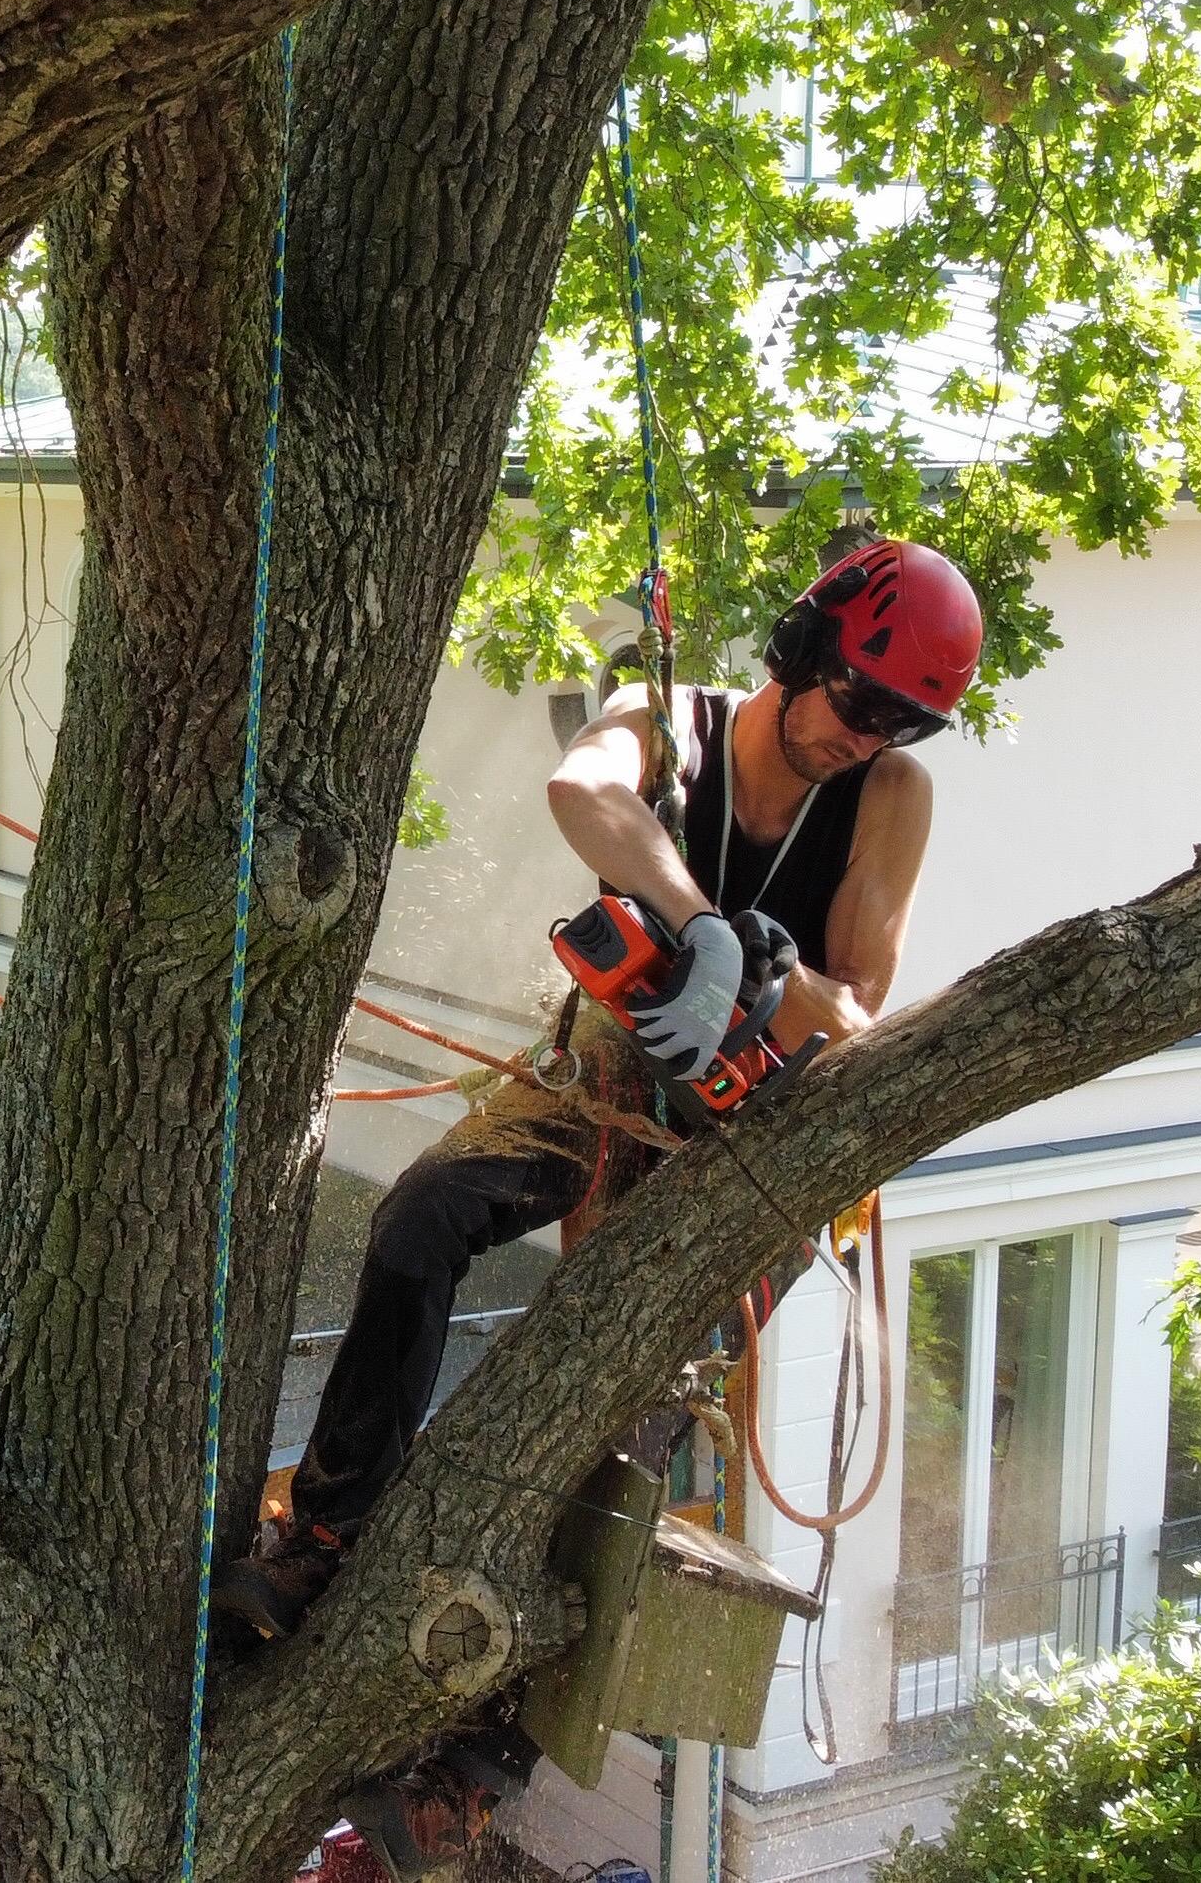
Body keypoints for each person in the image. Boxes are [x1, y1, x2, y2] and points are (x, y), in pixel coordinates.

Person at [211, 538, 975, 1639]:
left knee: (627, 1402)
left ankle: (499, 1714)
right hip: (606, 1078)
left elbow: (855, 1008)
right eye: (858, 698)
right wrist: (696, 920)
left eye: (900, 720)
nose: (862, 735)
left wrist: (771, 970)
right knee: (418, 1227)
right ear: (803, 649)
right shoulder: (672, 724)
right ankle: (324, 1541)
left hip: (754, 1145)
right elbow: (582, 790)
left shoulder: (887, 794)